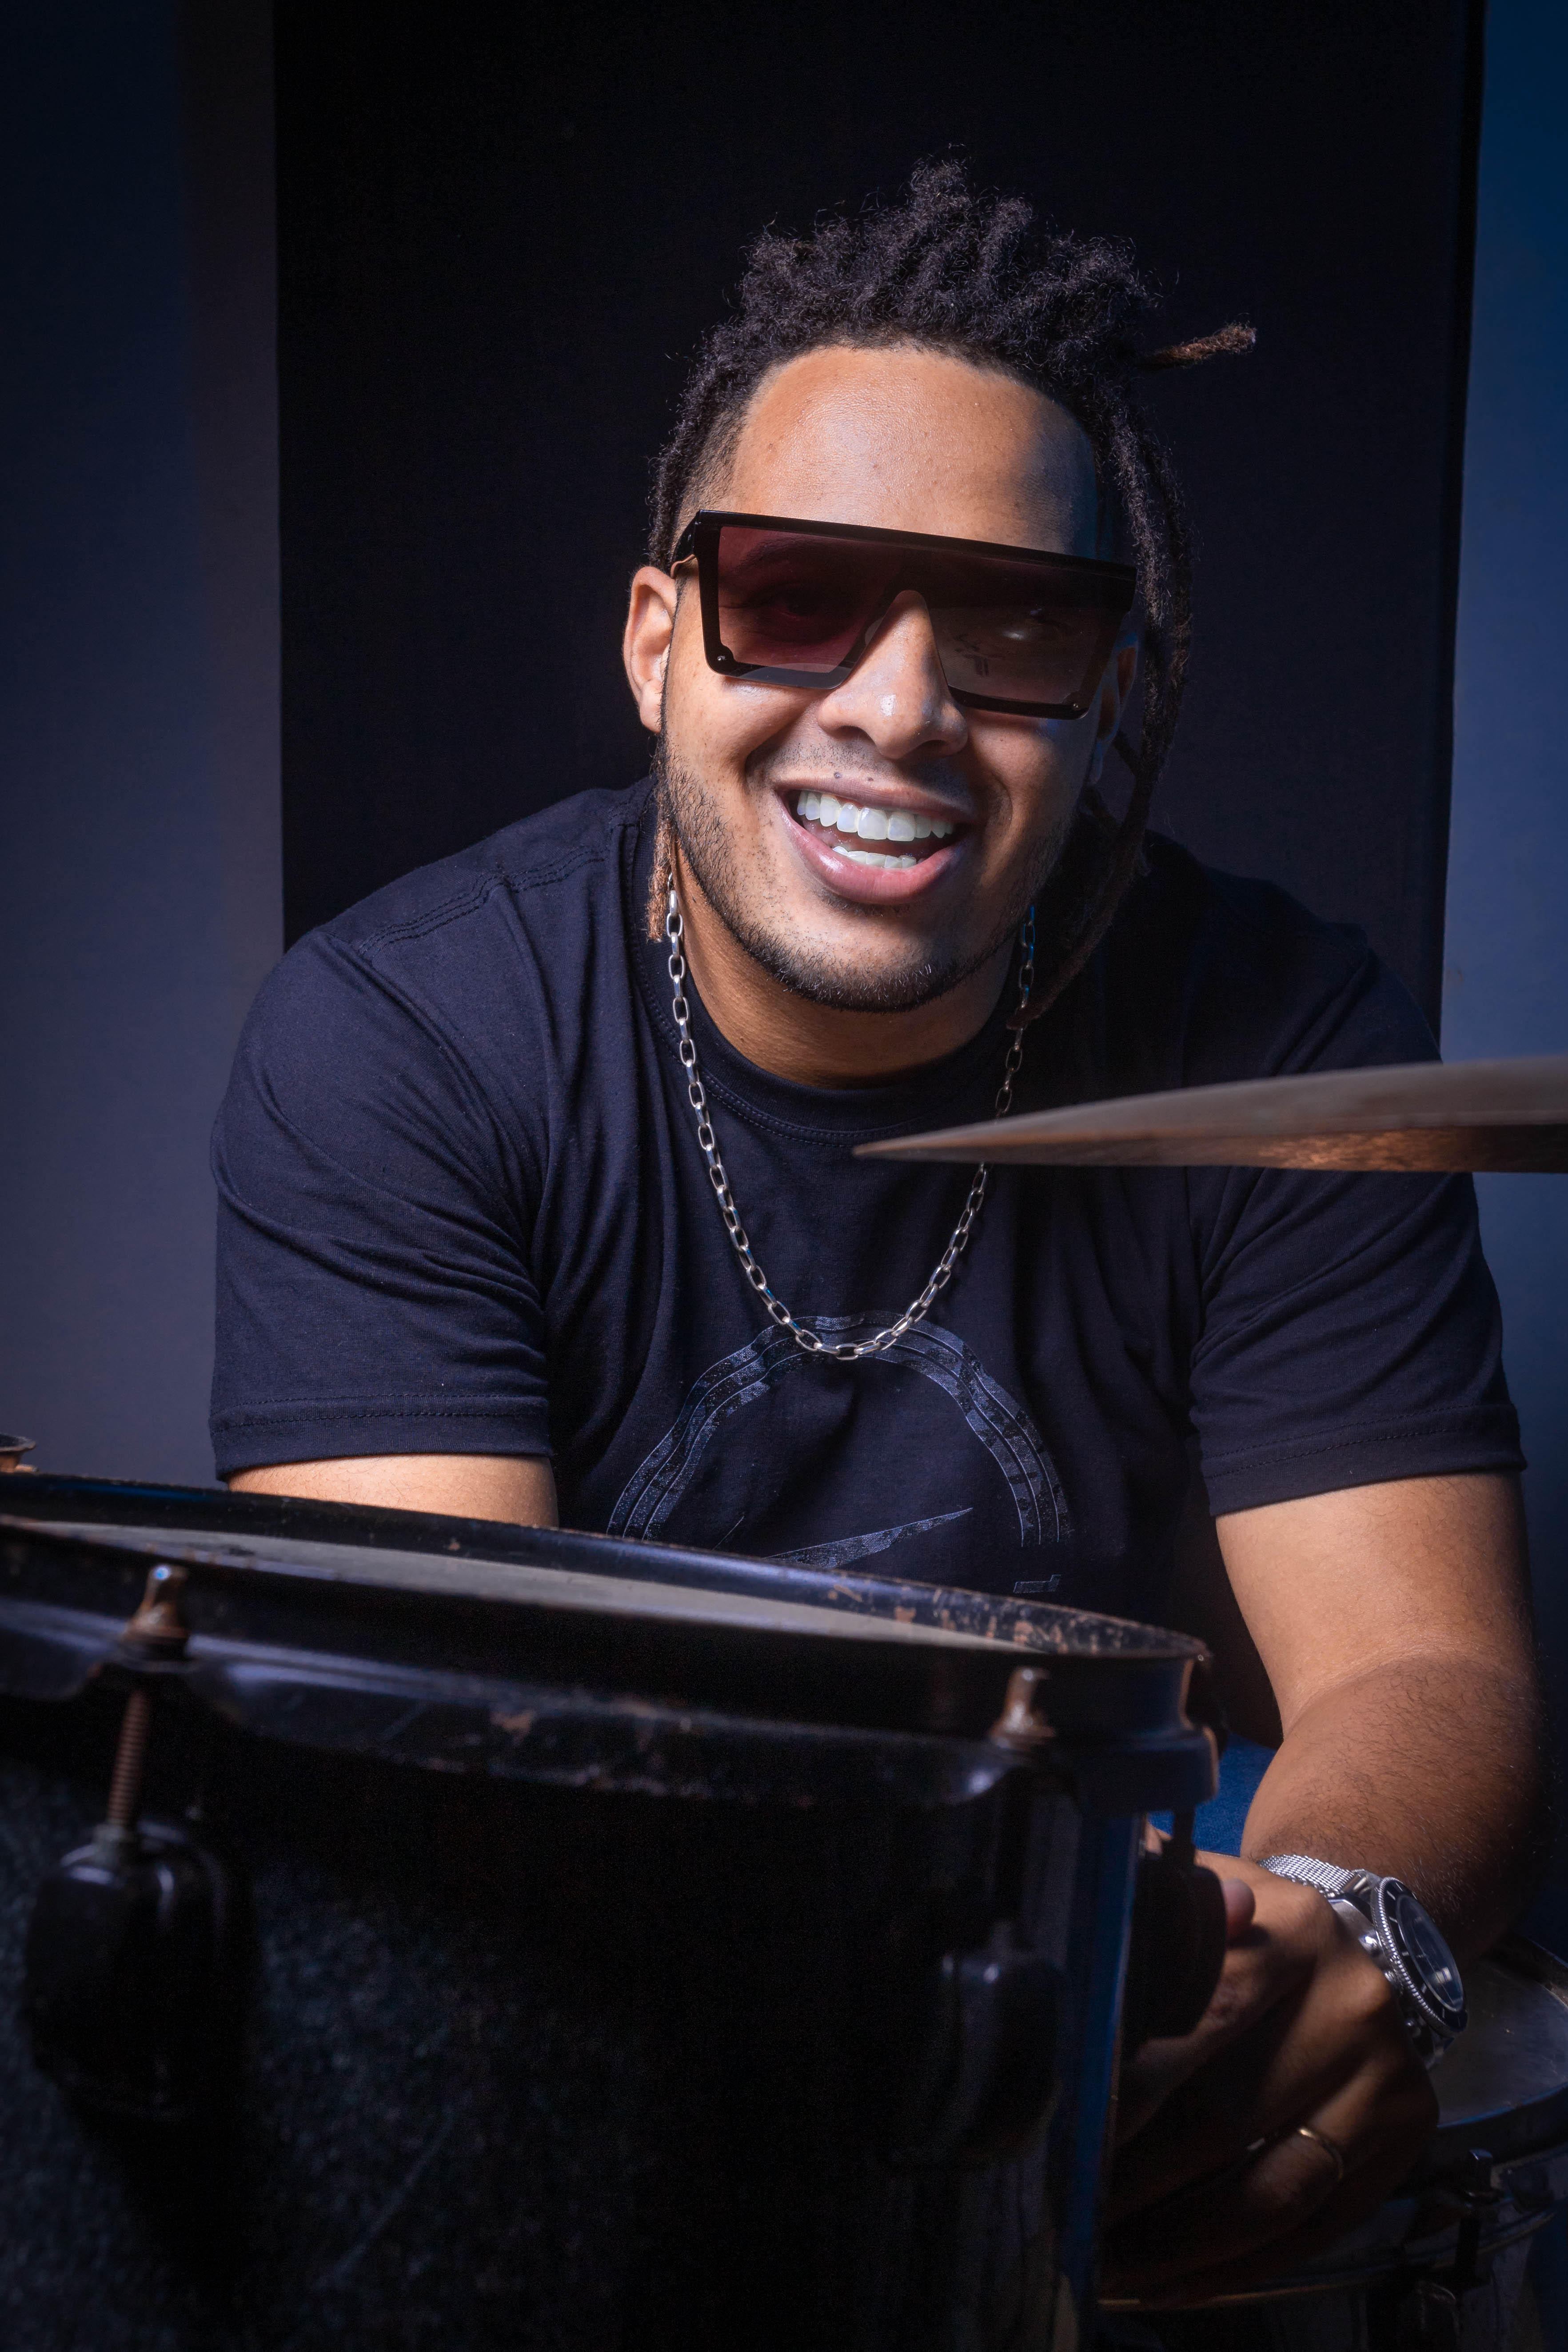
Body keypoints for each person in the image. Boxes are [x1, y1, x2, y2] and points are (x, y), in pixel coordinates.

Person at [211, 164, 1545, 2305]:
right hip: (608, 2045)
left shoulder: (1289, 1034)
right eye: (803, 594)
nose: (903, 708)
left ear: (1108, 695)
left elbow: (1422, 1666)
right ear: (658, 642)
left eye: (1016, 629)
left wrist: (1341, 1931)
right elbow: (452, 1774)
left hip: (1104, 1993)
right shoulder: (402, 1040)